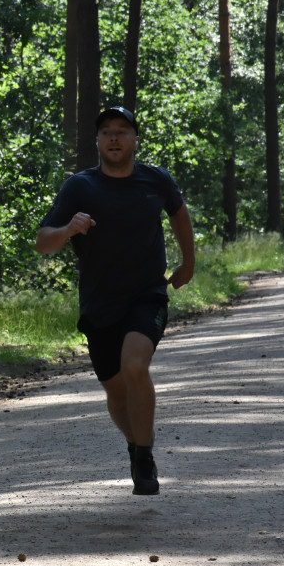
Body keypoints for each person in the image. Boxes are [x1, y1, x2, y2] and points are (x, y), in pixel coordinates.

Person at [35, 106, 195, 495]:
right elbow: (43, 243)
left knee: (135, 365)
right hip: (99, 303)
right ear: (97, 141)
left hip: (146, 294)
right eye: (106, 131)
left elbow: (179, 215)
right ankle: (134, 443)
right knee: (116, 391)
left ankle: (144, 455)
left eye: (122, 131)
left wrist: (188, 262)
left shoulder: (155, 180)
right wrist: (69, 229)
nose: (114, 137)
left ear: (135, 139)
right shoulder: (80, 187)